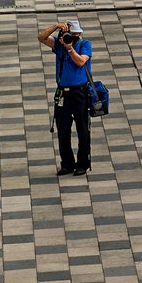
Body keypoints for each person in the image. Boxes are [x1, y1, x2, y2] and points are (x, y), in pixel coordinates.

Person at [38, 18, 94, 177]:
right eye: (66, 34)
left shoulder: (84, 44)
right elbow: (41, 38)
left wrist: (70, 49)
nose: (68, 37)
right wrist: (56, 26)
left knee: (83, 129)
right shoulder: (58, 45)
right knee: (62, 130)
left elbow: (81, 62)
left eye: (72, 34)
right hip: (63, 92)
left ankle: (82, 163)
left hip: (80, 93)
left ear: (78, 34)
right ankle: (67, 164)